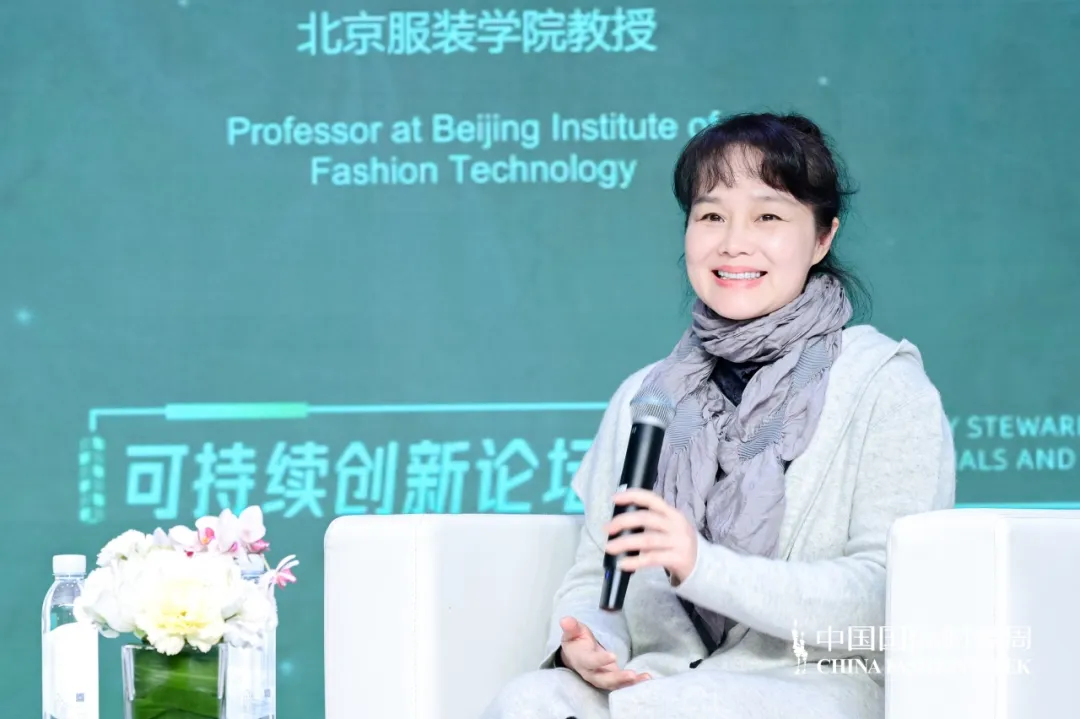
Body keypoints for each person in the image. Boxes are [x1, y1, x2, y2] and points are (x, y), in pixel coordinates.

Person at [479, 111, 956, 719]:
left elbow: (889, 594)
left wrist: (702, 566)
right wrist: (592, 642)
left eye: (768, 217)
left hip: (815, 683)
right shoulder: (647, 395)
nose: (733, 242)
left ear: (822, 238)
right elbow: (596, 572)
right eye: (710, 216)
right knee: (527, 701)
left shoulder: (883, 385)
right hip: (656, 681)